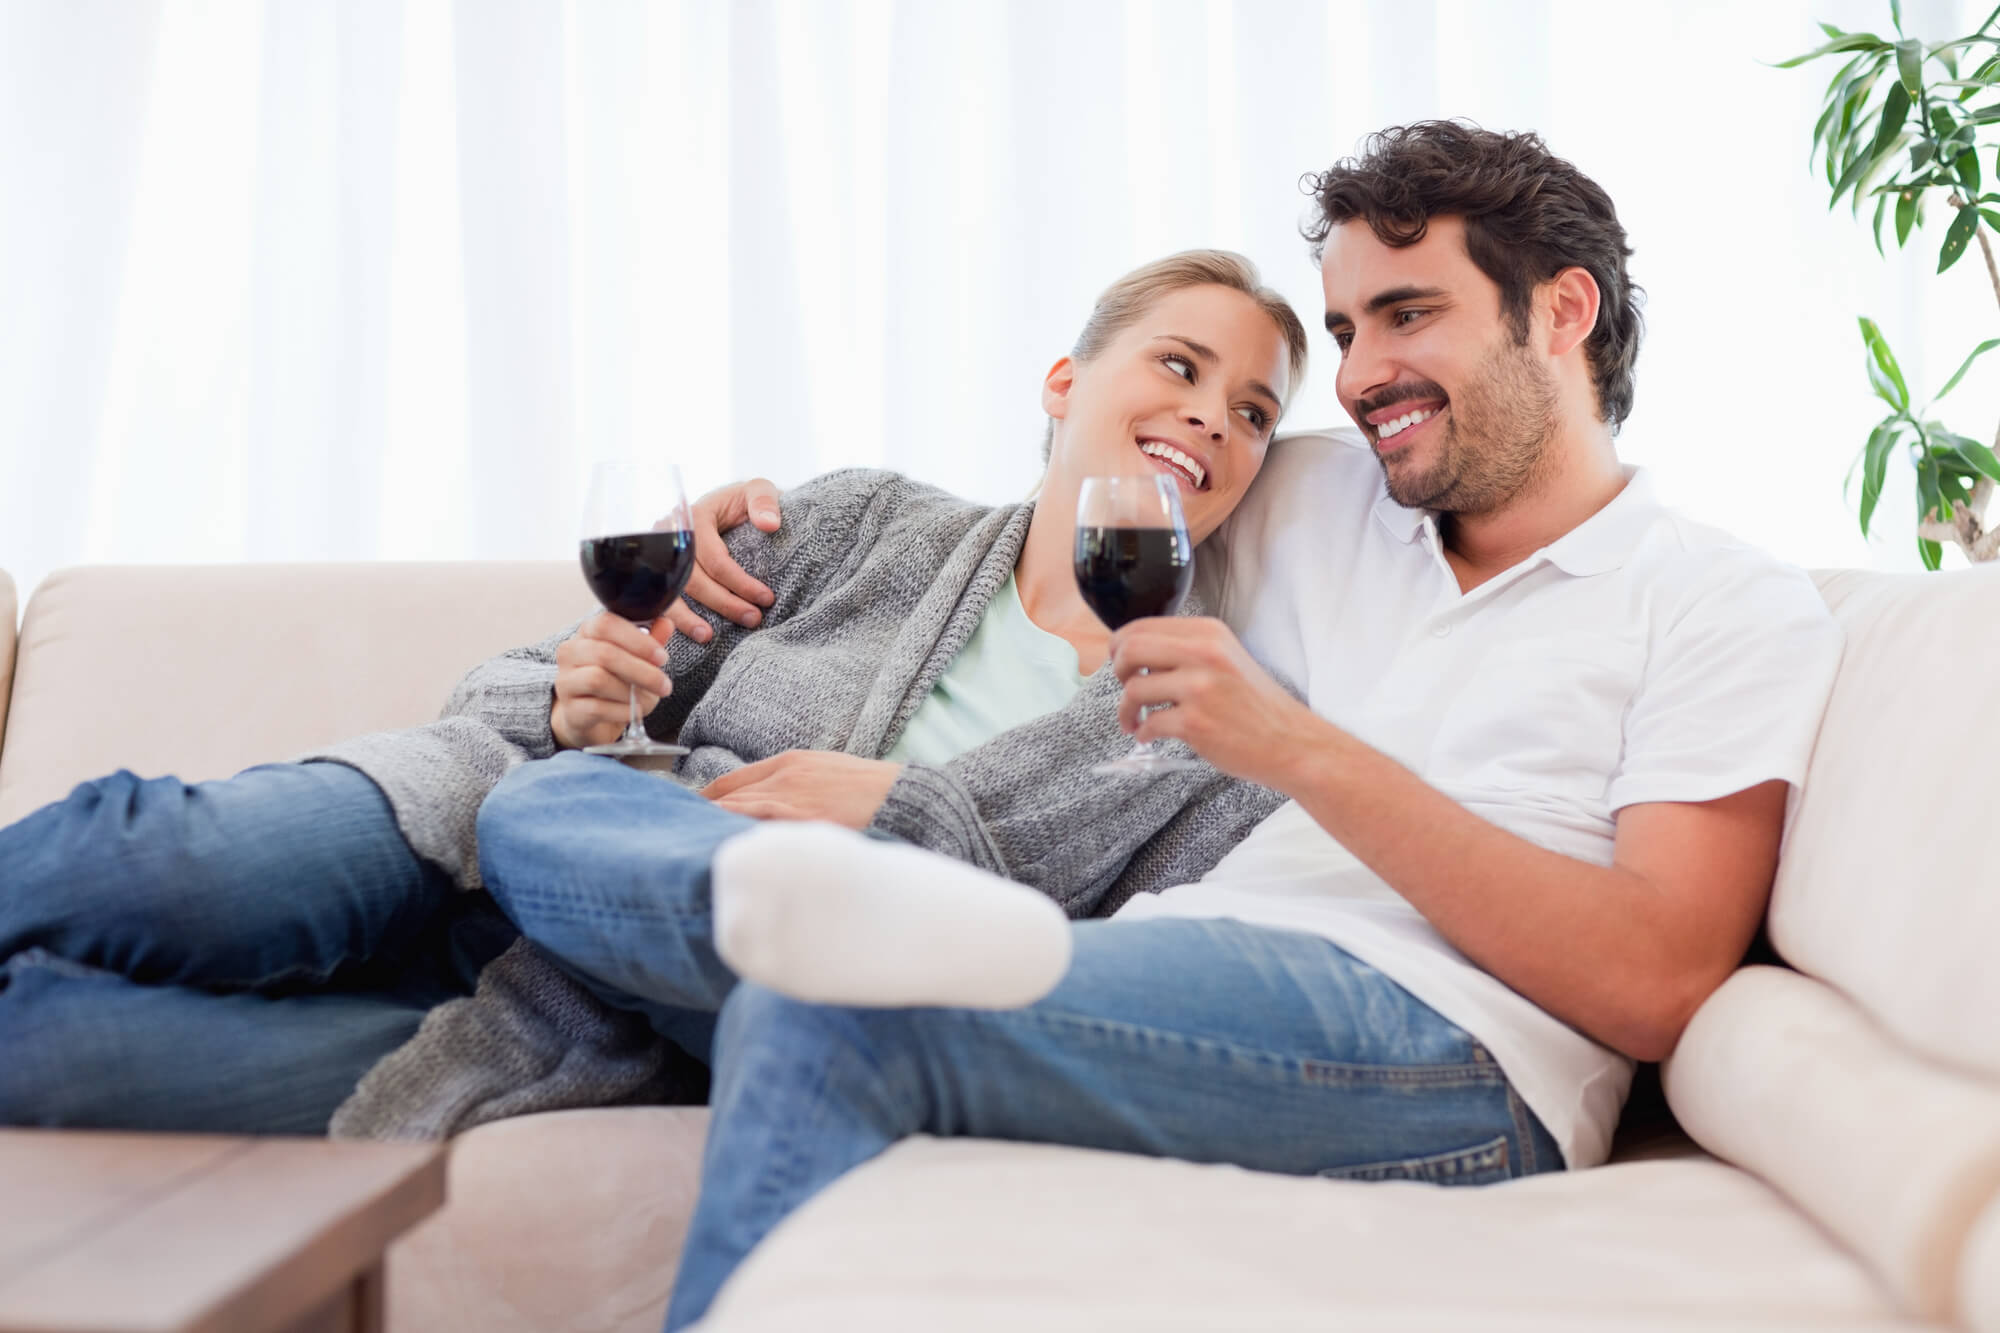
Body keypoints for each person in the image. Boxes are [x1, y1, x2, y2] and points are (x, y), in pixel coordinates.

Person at [627, 121, 1844, 1330]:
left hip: (1451, 1044)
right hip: (1189, 947)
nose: (1361, 374)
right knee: (685, 887)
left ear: (1563, 310)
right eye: (1347, 331)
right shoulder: (1323, 496)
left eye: (1407, 314)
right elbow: (1076, 487)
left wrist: (1298, 751)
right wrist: (754, 533)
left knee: (828, 996)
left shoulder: (1722, 600)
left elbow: (1658, 979)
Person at [0, 249, 1308, 1136]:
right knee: (148, 861)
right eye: (1181, 367)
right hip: (461, 831)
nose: (1213, 420)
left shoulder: (1203, 731)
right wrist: (574, 701)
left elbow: (1086, 1001)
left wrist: (899, 815)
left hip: (576, 1012)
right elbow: (518, 687)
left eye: (1256, 411)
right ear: (1066, 383)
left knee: (50, 1053)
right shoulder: (861, 523)